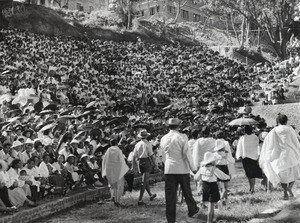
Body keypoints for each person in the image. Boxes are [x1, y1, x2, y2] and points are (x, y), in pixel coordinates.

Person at [160, 118, 199, 223]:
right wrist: (193, 168)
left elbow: (163, 156)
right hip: (182, 168)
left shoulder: (163, 138)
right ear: (178, 126)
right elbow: (187, 153)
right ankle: (192, 209)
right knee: (187, 192)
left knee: (170, 196)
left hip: (169, 169)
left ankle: (171, 219)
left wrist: (166, 164)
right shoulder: (182, 136)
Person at [259, 114, 300, 200]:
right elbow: (295, 141)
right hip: (290, 155)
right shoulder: (290, 129)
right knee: (295, 173)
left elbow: (268, 142)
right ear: (286, 121)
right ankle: (290, 187)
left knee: (282, 176)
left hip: (279, 156)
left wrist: (268, 154)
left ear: (277, 121)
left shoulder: (274, 131)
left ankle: (285, 192)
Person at [194, 152, 230, 223]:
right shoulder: (214, 169)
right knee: (211, 206)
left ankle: (211, 219)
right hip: (212, 187)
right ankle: (209, 221)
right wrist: (228, 177)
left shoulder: (202, 169)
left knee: (211, 205)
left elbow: (196, 177)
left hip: (205, 187)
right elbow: (222, 176)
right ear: (212, 161)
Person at [101, 136, 129, 207]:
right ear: (116, 143)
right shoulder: (118, 150)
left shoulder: (108, 150)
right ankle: (117, 201)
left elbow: (105, 160)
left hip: (110, 169)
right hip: (117, 169)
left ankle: (114, 198)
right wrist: (125, 168)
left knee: (113, 185)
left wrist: (105, 170)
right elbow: (122, 160)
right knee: (118, 185)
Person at [132, 129, 157, 205]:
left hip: (139, 161)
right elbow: (151, 155)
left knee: (145, 179)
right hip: (146, 161)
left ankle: (150, 195)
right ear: (146, 136)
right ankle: (140, 200)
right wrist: (155, 164)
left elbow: (134, 156)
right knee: (144, 180)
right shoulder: (148, 144)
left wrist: (134, 166)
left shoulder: (137, 144)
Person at [236, 125, 263, 193]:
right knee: (252, 174)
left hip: (246, 158)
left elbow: (239, 147)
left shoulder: (243, 138)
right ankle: (252, 187)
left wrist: (239, 155)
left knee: (249, 174)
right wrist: (258, 155)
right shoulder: (255, 137)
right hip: (253, 157)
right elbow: (257, 146)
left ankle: (252, 188)